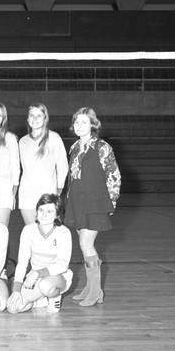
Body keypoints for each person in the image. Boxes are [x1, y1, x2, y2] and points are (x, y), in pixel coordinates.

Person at [64, 107, 121, 307]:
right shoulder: (74, 148)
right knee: (84, 244)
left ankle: (96, 291)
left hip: (95, 202)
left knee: (86, 244)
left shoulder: (102, 146)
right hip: (77, 202)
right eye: (76, 122)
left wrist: (111, 202)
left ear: (92, 125)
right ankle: (91, 287)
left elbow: (114, 175)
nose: (79, 125)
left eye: (84, 122)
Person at [7, 193, 73, 314]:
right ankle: (40, 299)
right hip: (35, 278)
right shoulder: (28, 230)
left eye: (49, 211)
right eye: (41, 210)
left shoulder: (64, 232)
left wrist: (38, 273)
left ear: (57, 215)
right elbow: (22, 262)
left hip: (58, 276)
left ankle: (54, 297)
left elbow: (63, 265)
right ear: (36, 211)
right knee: (14, 308)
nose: (44, 215)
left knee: (45, 285)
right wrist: (16, 290)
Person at [18, 102, 68, 225]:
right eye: (32, 115)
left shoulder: (54, 137)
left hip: (47, 193)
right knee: (32, 234)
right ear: (27, 118)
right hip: (27, 194)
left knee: (48, 236)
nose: (35, 119)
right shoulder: (22, 141)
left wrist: (58, 189)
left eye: (39, 115)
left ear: (45, 118)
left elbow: (63, 166)